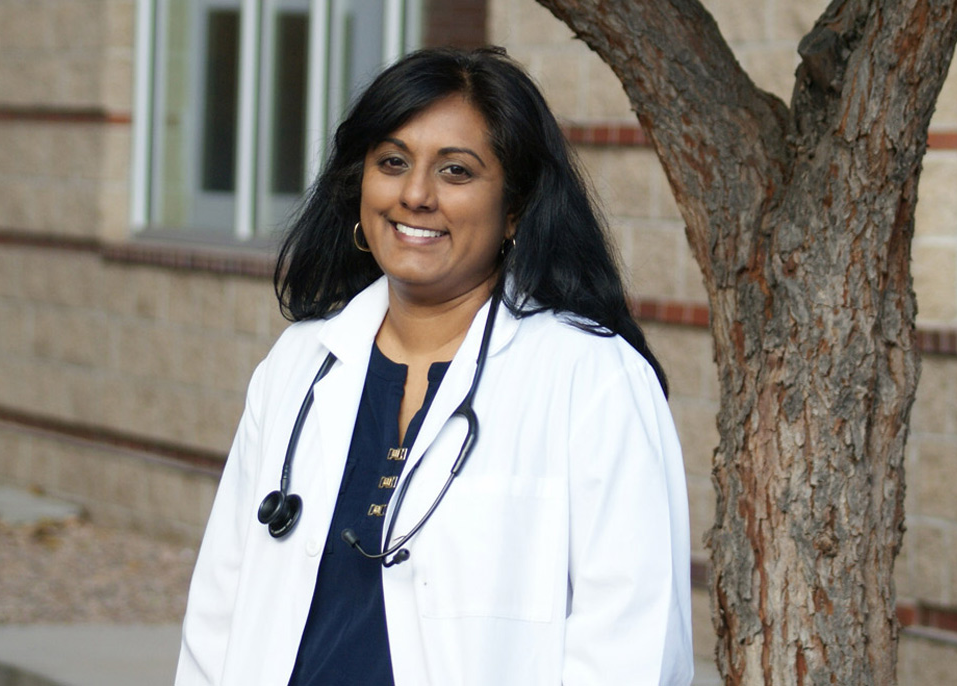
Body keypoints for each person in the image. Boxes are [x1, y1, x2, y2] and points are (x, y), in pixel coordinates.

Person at [174, 46, 692, 685]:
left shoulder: (591, 378)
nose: (415, 195)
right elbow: (219, 612)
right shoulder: (300, 365)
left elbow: (632, 646)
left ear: (517, 208)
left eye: (456, 172)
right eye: (392, 163)